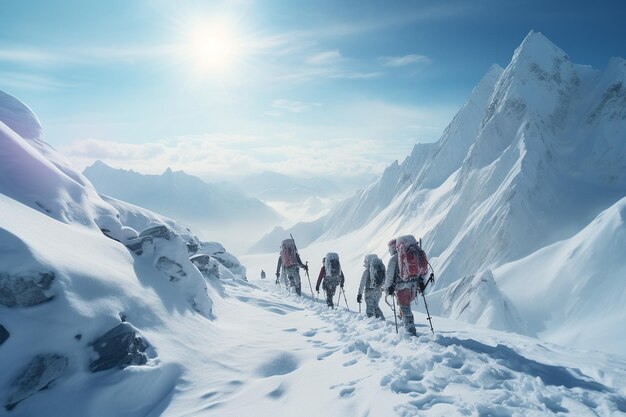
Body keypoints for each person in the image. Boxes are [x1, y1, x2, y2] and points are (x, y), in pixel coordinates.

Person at [384, 237, 426, 336]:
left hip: (402, 288)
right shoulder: (412, 254)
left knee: (405, 308)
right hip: (413, 286)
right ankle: (404, 323)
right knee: (405, 307)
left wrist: (387, 289)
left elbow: (389, 276)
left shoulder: (394, 259)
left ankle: (410, 332)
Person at [357, 254, 385, 320]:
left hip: (369, 291)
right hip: (378, 291)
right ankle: (381, 320)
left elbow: (362, 283)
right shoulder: (381, 268)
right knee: (376, 306)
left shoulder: (367, 271)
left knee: (369, 307)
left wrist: (359, 294)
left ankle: (370, 321)